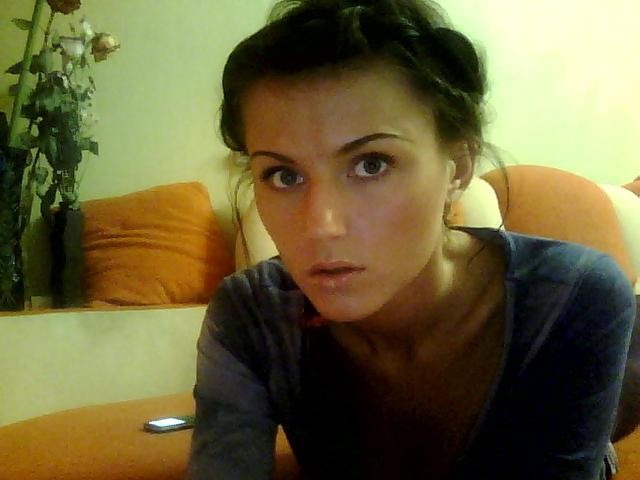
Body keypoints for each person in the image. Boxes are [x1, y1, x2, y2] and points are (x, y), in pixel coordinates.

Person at [188, 1, 636, 479]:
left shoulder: (570, 300)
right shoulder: (253, 316)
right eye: (283, 175)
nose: (321, 224)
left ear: (458, 167)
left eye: (371, 165)